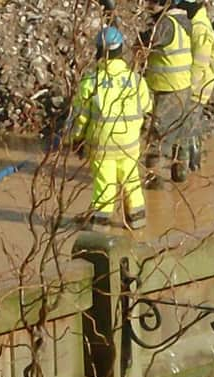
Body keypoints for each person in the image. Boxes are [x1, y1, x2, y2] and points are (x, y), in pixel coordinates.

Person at [69, 26, 153, 230]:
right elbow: (148, 110)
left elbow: (81, 118)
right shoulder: (136, 80)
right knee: (131, 181)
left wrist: (76, 139)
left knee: (104, 185)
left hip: (102, 146)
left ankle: (101, 225)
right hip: (130, 145)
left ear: (99, 51)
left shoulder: (91, 82)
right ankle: (137, 221)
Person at [140, 0, 193, 188]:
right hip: (183, 87)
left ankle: (152, 181)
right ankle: (180, 176)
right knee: (180, 134)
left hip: (166, 89)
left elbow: (144, 43)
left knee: (156, 136)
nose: (148, 5)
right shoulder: (184, 22)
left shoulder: (165, 25)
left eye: (152, 2)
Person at [180, 0, 214, 171]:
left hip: (199, 86)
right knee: (191, 127)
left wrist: (188, 87)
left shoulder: (200, 28)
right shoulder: (197, 23)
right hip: (201, 84)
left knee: (189, 128)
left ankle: (193, 166)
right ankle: (194, 165)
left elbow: (199, 64)